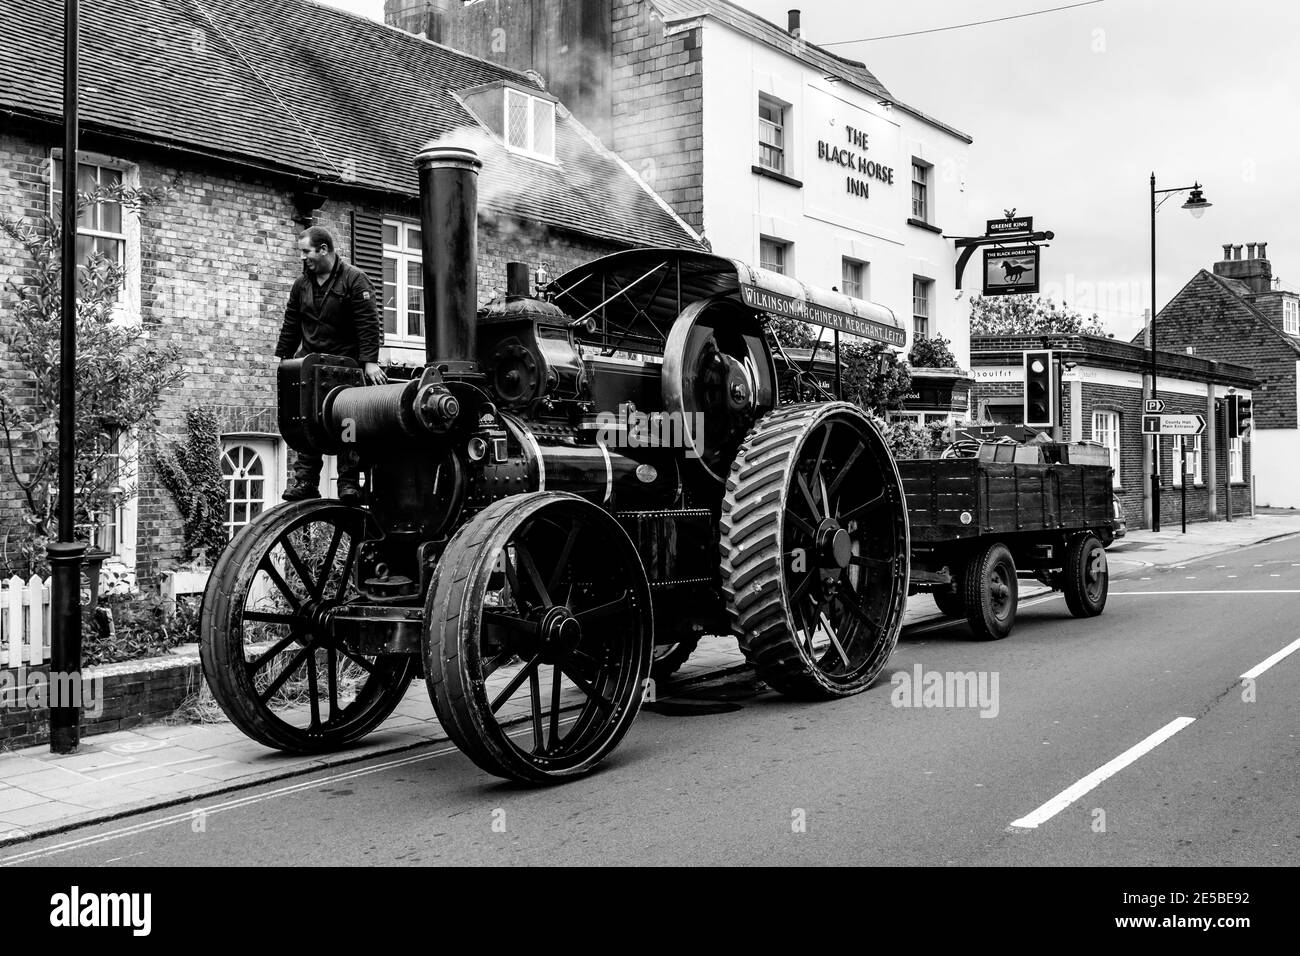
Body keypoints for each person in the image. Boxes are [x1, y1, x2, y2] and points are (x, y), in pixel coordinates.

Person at [275, 225, 386, 504]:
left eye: (306, 251)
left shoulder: (354, 280)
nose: (303, 258)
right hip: (310, 365)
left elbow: (368, 324)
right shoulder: (301, 285)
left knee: (347, 423)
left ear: (323, 249)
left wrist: (370, 362)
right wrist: (284, 359)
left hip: (345, 367)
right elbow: (291, 323)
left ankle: (348, 484)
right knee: (307, 422)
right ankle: (305, 482)